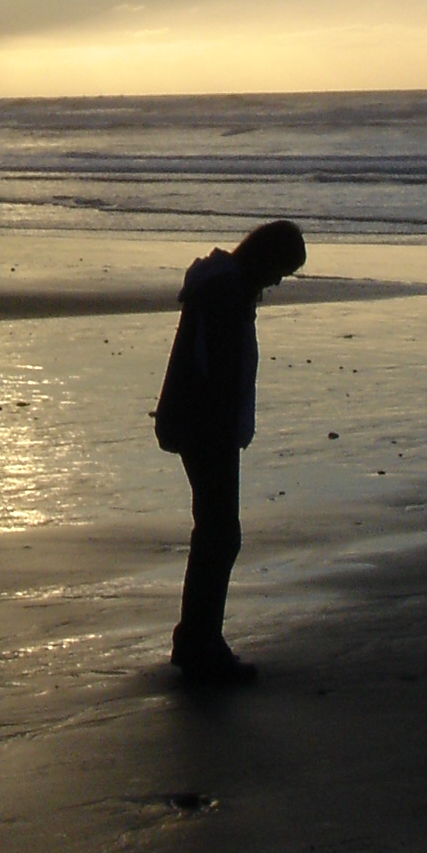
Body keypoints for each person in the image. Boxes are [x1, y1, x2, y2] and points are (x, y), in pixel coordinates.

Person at [152, 218, 306, 684]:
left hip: (199, 422)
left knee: (215, 532)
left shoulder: (221, 286)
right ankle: (201, 643)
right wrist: (225, 427)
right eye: (281, 271)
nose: (277, 282)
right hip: (206, 426)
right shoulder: (226, 293)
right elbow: (217, 370)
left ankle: (196, 639)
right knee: (219, 535)